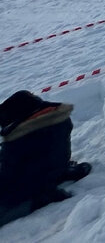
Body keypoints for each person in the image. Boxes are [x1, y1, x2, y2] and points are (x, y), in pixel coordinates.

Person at [0, 90, 91, 228]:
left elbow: (9, 176)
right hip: (55, 166)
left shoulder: (18, 139)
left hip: (30, 185)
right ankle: (61, 174)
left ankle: (40, 199)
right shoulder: (60, 118)